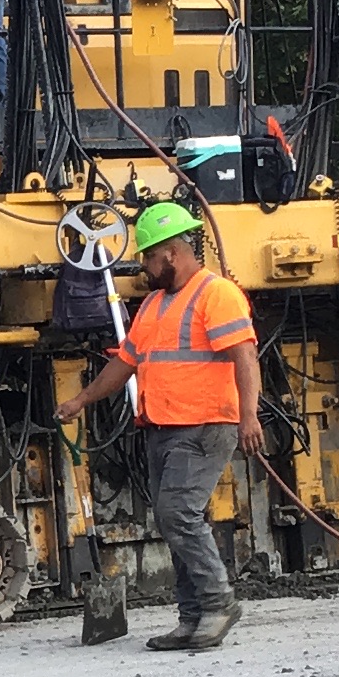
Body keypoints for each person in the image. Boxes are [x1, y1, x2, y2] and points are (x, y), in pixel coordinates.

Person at [52, 201, 262, 650]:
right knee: (175, 521)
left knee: (177, 514)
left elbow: (245, 356)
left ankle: (218, 603)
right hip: (164, 427)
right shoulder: (153, 304)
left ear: (171, 253)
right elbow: (125, 363)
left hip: (205, 425)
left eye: (148, 256)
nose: (144, 266)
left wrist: (249, 416)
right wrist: (81, 400)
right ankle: (192, 619)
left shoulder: (216, 294)